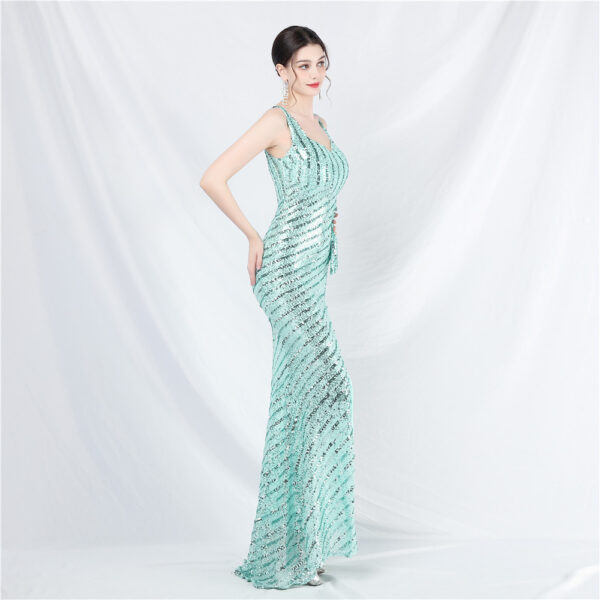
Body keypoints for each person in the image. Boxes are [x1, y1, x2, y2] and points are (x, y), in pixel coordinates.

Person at [199, 25, 357, 589]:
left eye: (321, 63)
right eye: (304, 65)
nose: (315, 73)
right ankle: (288, 550)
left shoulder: (322, 127)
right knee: (317, 390)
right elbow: (213, 177)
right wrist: (252, 235)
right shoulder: (277, 121)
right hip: (285, 274)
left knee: (314, 398)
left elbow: (318, 191)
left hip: (313, 277)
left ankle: (303, 543)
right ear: (282, 71)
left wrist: (326, 212)